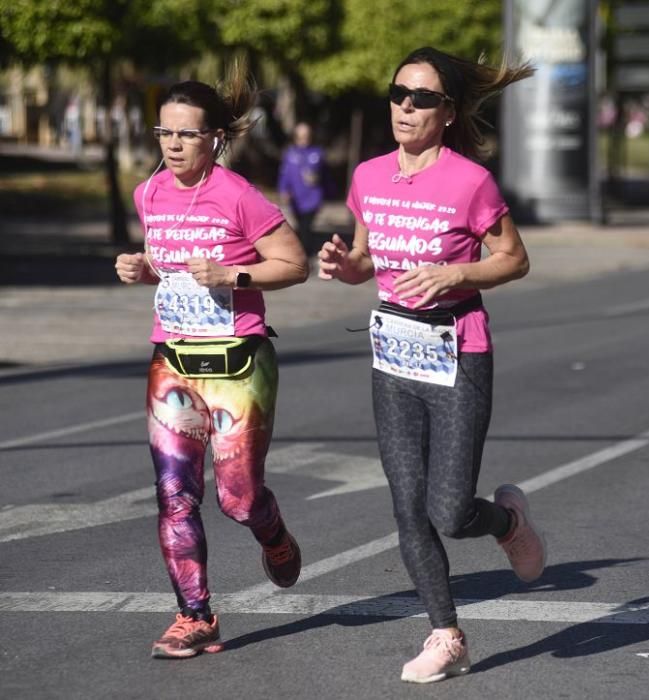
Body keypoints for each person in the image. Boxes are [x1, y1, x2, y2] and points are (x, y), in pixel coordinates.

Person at [317, 46, 546, 684]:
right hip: (392, 353)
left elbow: (515, 259)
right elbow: (368, 259)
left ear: (447, 112)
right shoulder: (367, 177)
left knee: (448, 510)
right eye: (398, 94)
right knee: (406, 507)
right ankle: (446, 634)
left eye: (421, 98)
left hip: (457, 351)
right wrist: (347, 267)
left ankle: (506, 520)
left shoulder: (470, 181)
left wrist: (457, 271)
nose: (405, 107)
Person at [114, 67, 308, 659]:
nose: (172, 145)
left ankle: (272, 534)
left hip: (239, 364)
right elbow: (164, 263)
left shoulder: (238, 195)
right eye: (164, 133)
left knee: (238, 499)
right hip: (172, 361)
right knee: (175, 494)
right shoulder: (148, 193)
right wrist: (141, 269)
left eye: (187, 135)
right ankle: (194, 615)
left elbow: (294, 264)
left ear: (214, 139)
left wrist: (234, 274)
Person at [278, 122, 328, 250]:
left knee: (306, 228)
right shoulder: (290, 154)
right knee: (299, 226)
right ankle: (303, 253)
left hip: (312, 198)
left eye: (306, 136)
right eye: (300, 136)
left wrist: (317, 178)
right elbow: (285, 174)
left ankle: (304, 255)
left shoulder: (317, 154)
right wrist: (283, 190)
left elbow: (325, 176)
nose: (303, 139)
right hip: (296, 198)